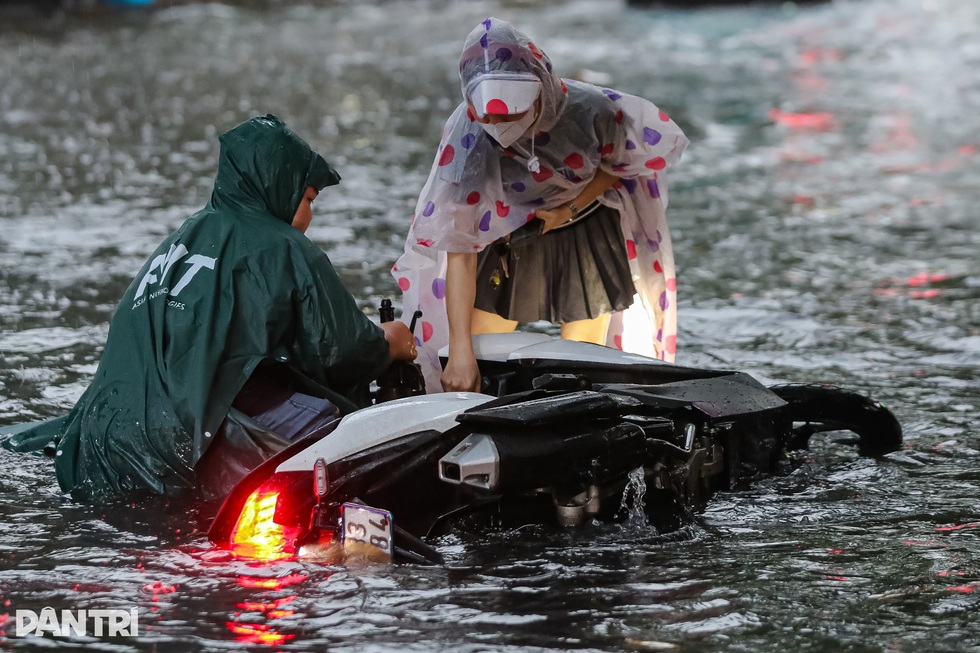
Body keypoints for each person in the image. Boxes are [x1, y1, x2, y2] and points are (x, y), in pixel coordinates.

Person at [2, 114, 417, 502]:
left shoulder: (180, 239)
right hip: (187, 447)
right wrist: (390, 342)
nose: (309, 216)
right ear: (280, 187)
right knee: (344, 433)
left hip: (101, 441)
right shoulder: (284, 245)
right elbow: (342, 351)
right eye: (308, 199)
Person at [392, 18, 689, 393]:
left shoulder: (592, 111)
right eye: (488, 114)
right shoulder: (469, 139)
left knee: (583, 366)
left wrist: (570, 207)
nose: (499, 124)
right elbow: (460, 248)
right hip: (507, 236)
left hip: (583, 227)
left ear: (539, 93)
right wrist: (461, 354)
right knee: (474, 354)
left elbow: (617, 165)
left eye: (511, 113)